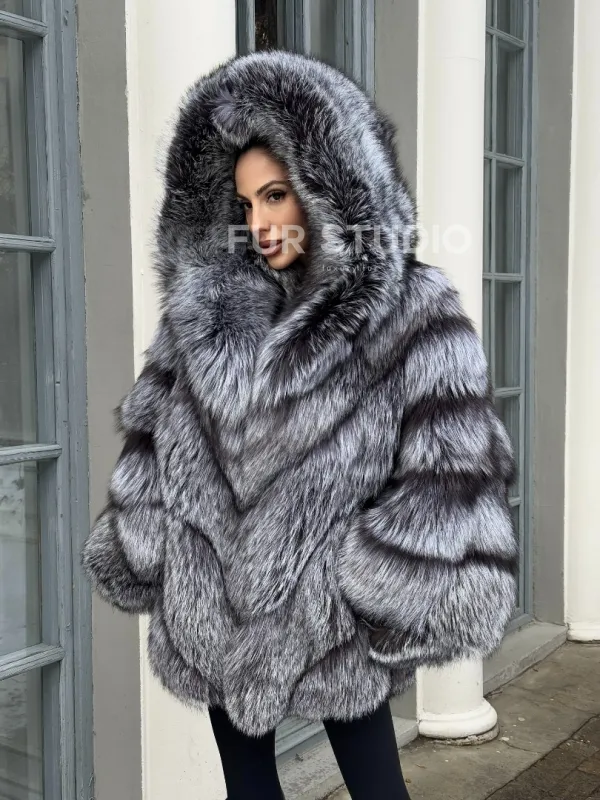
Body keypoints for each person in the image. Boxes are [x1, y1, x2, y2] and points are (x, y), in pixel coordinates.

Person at [81, 50, 519, 799]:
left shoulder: (412, 312)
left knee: (378, 790)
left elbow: (449, 475)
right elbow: (151, 439)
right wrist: (149, 545)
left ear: (330, 187)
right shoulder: (203, 315)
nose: (258, 223)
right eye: (244, 202)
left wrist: (360, 586)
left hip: (331, 624)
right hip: (213, 613)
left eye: (276, 195)